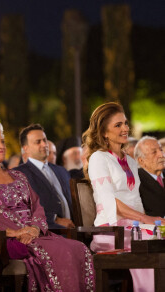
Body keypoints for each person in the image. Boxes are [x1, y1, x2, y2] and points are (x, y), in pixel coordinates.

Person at [0, 119, 95, 291]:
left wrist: (34, 229)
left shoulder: (19, 176)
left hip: (35, 235)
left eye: (2, 141)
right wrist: (15, 233)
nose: (1, 146)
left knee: (80, 248)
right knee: (63, 252)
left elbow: (38, 208)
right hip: (7, 241)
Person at [83, 102, 165, 292]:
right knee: (150, 240)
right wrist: (146, 219)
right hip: (111, 232)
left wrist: (150, 220)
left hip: (136, 226)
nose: (125, 128)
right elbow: (109, 201)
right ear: (104, 132)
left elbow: (136, 198)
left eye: (125, 123)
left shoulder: (129, 160)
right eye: (118, 125)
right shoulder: (98, 158)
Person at [15, 124, 74, 229]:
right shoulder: (19, 174)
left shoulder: (61, 171)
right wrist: (55, 219)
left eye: (45, 140)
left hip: (73, 232)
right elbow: (20, 210)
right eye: (38, 142)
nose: (44, 144)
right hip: (46, 233)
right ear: (26, 148)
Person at [134, 136, 165, 217]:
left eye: (161, 150)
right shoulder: (136, 180)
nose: (161, 155)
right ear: (141, 160)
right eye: (154, 152)